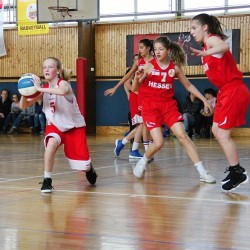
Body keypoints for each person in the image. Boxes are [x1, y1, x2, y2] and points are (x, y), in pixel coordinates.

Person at [131, 36, 216, 184]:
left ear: (168, 50)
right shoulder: (148, 66)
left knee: (183, 136)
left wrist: (204, 100)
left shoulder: (174, 68)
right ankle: (143, 161)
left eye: (161, 49)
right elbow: (134, 89)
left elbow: (188, 86)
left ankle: (202, 172)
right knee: (158, 143)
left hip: (168, 107)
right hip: (150, 107)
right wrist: (137, 79)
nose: (157, 52)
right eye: (155, 49)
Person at [190, 13, 250, 191]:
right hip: (226, 91)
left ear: (205, 27)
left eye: (194, 28)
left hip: (234, 89)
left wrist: (206, 51)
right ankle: (235, 170)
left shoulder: (213, 41)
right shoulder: (206, 48)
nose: (192, 32)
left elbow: (224, 46)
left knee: (222, 134)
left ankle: (237, 172)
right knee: (216, 130)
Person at [20, 57, 98, 193]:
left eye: (50, 67)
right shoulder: (42, 89)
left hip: (74, 127)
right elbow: (24, 105)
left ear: (58, 70)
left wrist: (38, 88)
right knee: (50, 146)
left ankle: (88, 168)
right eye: (44, 67)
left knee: (82, 165)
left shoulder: (64, 84)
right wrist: (24, 91)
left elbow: (61, 92)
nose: (47, 70)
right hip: (55, 125)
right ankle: (47, 180)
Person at [105, 41, 155, 159]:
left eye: (141, 47)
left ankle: (124, 145)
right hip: (138, 96)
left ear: (148, 48)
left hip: (148, 96)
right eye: (138, 47)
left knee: (143, 124)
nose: (139, 49)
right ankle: (138, 151)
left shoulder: (155, 61)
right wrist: (115, 88)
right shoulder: (139, 62)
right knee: (142, 123)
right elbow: (127, 77)